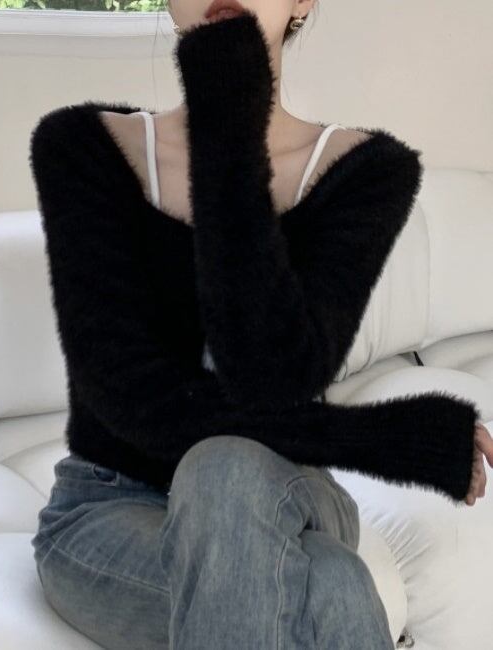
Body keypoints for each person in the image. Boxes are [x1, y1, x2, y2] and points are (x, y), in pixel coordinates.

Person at [28, 2, 493, 649]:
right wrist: (387, 440)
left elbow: (272, 375)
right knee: (330, 586)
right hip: (108, 506)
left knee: (225, 469)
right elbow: (135, 399)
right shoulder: (84, 146)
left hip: (285, 488)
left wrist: (228, 123)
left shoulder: (368, 169)